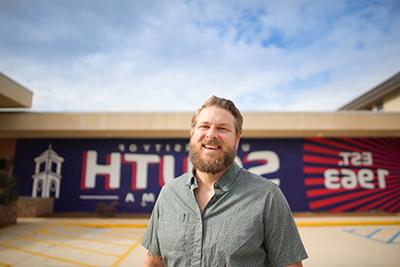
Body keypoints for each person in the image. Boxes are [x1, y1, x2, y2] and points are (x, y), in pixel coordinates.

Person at [142, 96, 308, 267]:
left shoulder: (267, 196)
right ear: (192, 133)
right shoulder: (169, 194)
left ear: (237, 139)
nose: (211, 134)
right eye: (204, 126)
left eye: (222, 128)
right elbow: (154, 261)